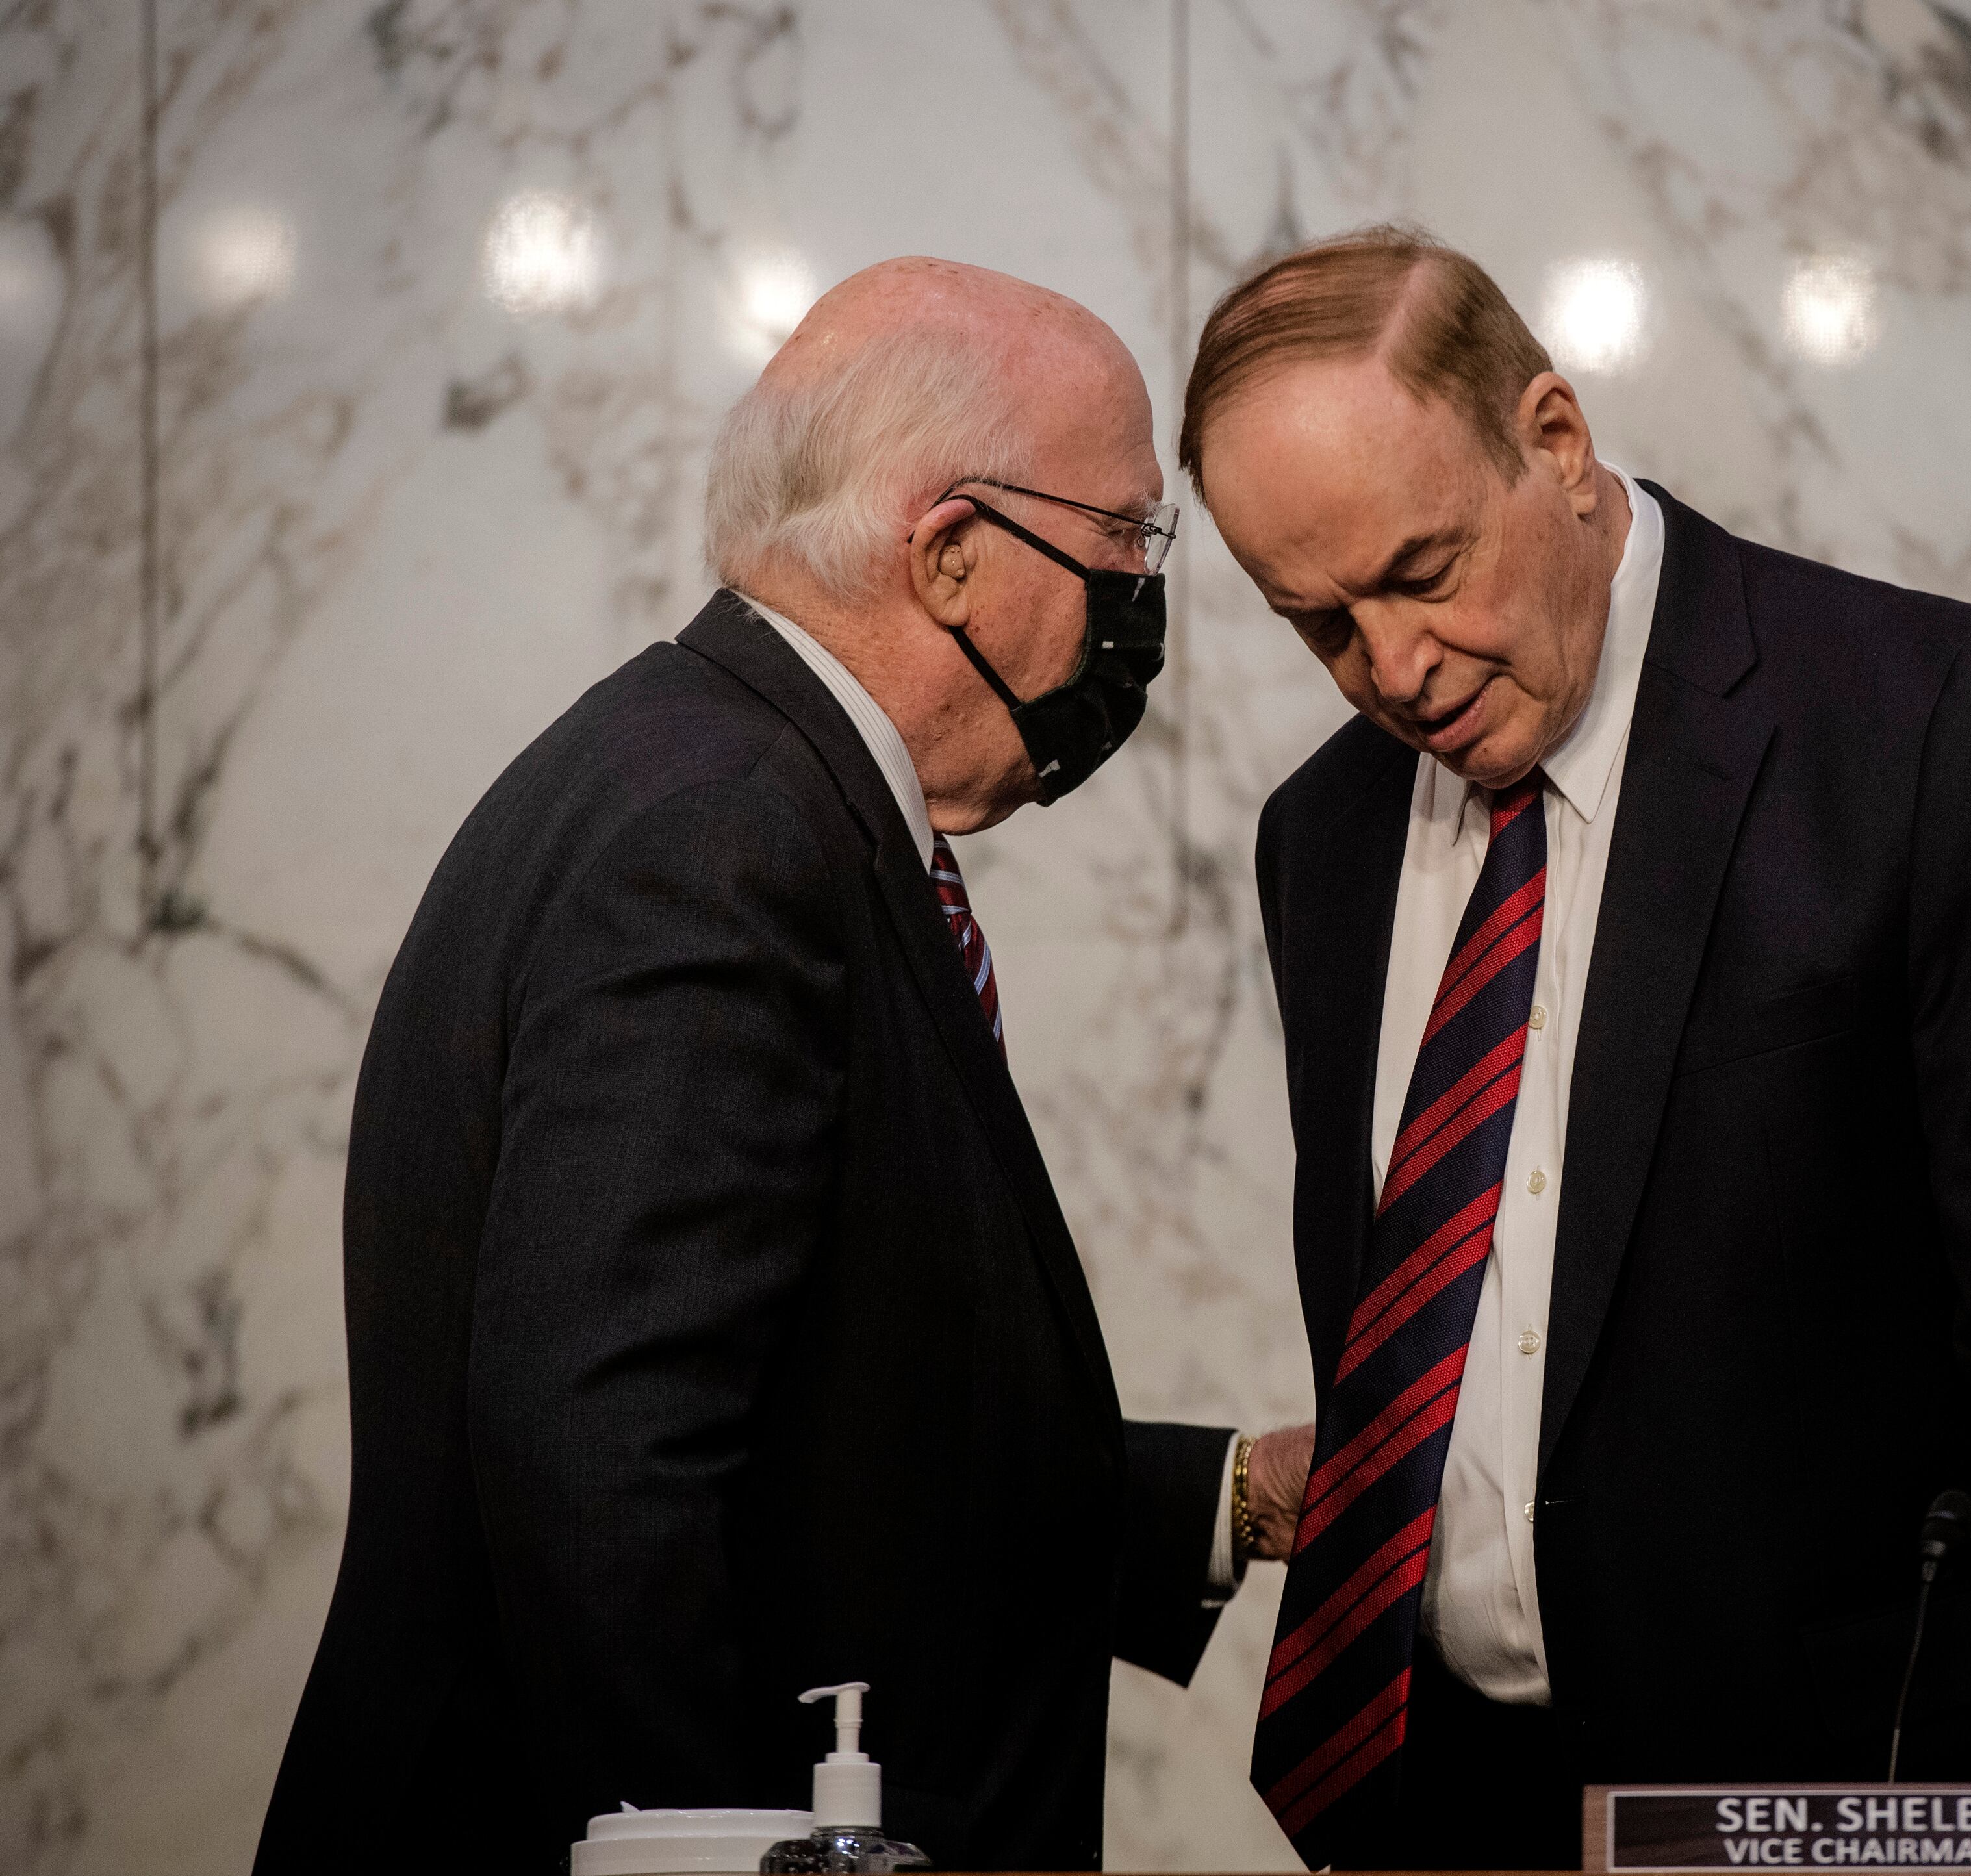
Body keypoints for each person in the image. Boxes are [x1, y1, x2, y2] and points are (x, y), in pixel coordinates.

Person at [1181, 229, 1971, 1873]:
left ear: (1555, 439)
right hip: (1442, 1810)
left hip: (1852, 1818)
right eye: (1317, 622)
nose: (1391, 669)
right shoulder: (1318, 838)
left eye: (1422, 570)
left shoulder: (1934, 727)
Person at [253, 258, 1314, 1876]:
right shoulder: (724, 832)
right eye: (1123, 545)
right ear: (955, 553)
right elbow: (604, 1464)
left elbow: (833, 1432)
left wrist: (1225, 1498)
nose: (1135, 605)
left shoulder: (709, 769)